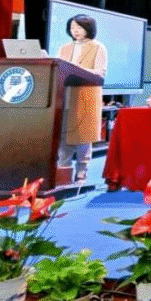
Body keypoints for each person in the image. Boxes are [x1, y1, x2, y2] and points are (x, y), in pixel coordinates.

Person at [56, 14, 107, 182]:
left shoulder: (98, 47)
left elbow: (100, 73)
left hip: (86, 95)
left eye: (79, 28)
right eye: (72, 28)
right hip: (65, 94)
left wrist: (76, 70)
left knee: (83, 136)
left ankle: (81, 171)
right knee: (64, 135)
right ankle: (63, 170)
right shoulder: (64, 48)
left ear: (88, 28)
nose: (75, 31)